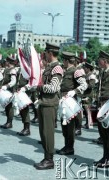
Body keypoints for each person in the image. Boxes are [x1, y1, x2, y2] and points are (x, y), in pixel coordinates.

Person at [33, 42, 63, 170]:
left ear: (50, 53)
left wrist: (39, 87)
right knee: (43, 132)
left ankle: (49, 160)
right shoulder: (49, 67)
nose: (44, 54)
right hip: (44, 102)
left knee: (48, 133)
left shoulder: (57, 68)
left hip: (49, 104)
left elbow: (54, 88)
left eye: (45, 52)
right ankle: (46, 157)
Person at [56, 52, 87, 155]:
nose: (62, 62)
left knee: (69, 126)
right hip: (63, 101)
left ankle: (70, 147)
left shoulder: (76, 71)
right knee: (64, 125)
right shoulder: (66, 71)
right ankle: (67, 146)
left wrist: (74, 91)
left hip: (70, 102)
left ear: (66, 61)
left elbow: (84, 84)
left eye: (63, 60)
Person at [0, 55, 17, 129]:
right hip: (5, 90)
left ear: (9, 62)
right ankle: (8, 121)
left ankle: (10, 122)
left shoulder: (12, 70)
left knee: (9, 107)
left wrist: (6, 86)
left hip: (10, 91)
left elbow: (13, 81)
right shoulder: (7, 69)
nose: (5, 62)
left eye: (6, 61)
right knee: (7, 107)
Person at [82, 62, 98, 129]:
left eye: (85, 68)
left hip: (88, 94)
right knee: (85, 110)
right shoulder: (86, 75)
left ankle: (89, 123)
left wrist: (84, 86)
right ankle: (87, 123)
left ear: (88, 68)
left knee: (88, 110)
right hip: (85, 94)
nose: (84, 69)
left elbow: (92, 85)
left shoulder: (91, 76)